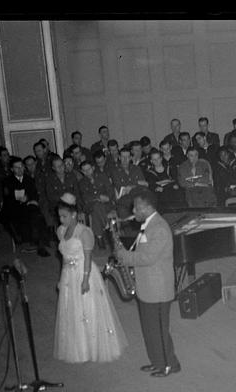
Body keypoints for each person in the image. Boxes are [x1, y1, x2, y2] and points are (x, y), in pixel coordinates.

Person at [114, 188, 181, 377]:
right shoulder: (148, 225)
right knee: (150, 329)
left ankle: (169, 364)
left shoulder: (159, 227)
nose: (133, 211)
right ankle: (158, 362)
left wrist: (125, 257)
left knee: (159, 330)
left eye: (136, 208)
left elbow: (148, 257)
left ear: (147, 207)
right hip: (148, 287)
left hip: (158, 289)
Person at [54, 192, 127, 363]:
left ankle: (93, 347)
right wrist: (61, 278)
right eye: (59, 216)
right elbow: (63, 258)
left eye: (64, 216)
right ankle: (79, 348)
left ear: (73, 215)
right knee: (72, 309)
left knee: (87, 309)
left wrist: (85, 279)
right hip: (68, 274)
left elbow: (88, 257)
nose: (61, 220)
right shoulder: (60, 230)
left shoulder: (84, 232)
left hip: (83, 272)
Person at [1, 157, 50, 256]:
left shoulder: (29, 179)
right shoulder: (7, 181)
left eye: (21, 166)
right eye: (16, 167)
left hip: (28, 206)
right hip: (13, 208)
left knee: (37, 216)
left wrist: (29, 199)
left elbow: (34, 193)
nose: (20, 169)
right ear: (12, 169)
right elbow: (7, 199)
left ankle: (40, 244)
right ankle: (35, 242)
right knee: (27, 218)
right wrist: (19, 200)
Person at [78, 159, 115, 249]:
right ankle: (106, 226)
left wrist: (108, 198)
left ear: (93, 168)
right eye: (84, 170)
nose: (87, 172)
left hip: (106, 204)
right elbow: (85, 198)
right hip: (90, 206)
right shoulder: (82, 182)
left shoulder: (102, 176)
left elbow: (110, 190)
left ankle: (99, 237)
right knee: (97, 206)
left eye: (89, 169)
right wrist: (98, 197)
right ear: (82, 171)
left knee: (96, 211)